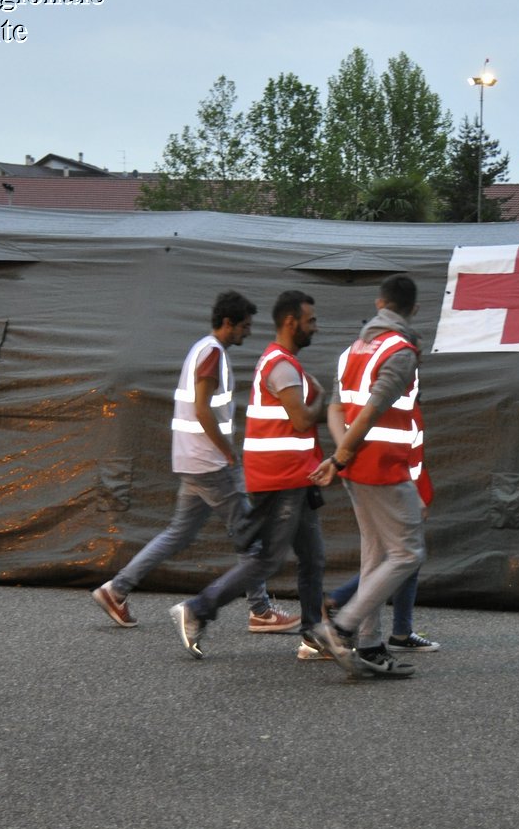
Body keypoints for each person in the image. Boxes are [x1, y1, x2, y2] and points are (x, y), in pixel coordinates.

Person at [92, 290, 298, 635]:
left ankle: (116, 589)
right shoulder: (212, 355)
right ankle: (260, 611)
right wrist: (228, 452)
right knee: (251, 539)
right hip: (211, 463)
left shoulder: (200, 349)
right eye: (244, 326)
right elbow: (203, 409)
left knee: (177, 533)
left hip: (191, 460)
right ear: (228, 323)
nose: (247, 333)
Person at [168, 291, 329, 658]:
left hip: (293, 477)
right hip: (278, 477)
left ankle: (312, 635)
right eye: (311, 321)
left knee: (312, 557)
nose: (315, 328)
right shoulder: (279, 365)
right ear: (292, 322)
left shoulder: (279, 363)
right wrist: (324, 401)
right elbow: (302, 419)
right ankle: (198, 609)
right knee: (267, 557)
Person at [303, 274, 427, 681]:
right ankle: (341, 628)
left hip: (357, 466)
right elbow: (373, 410)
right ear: (412, 309)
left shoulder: (352, 350)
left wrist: (343, 455)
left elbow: (337, 408)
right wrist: (342, 457)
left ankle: (371, 646)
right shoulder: (400, 350)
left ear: (379, 305)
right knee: (408, 554)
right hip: (384, 467)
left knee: (375, 555)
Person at [305, 405, 439, 659]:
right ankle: (344, 617)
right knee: (403, 558)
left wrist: (339, 458)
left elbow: (336, 408)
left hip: (393, 483)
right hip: (397, 486)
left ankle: (390, 630)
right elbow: (406, 455)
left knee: (393, 558)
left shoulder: (398, 406)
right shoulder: (400, 407)